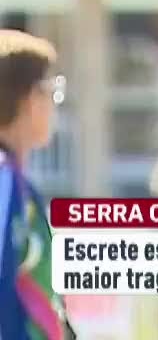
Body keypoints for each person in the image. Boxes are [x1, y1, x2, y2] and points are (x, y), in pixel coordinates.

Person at [0, 29, 75, 339]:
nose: (54, 104)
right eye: (51, 90)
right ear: (31, 99)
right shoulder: (4, 181)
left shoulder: (21, 186)